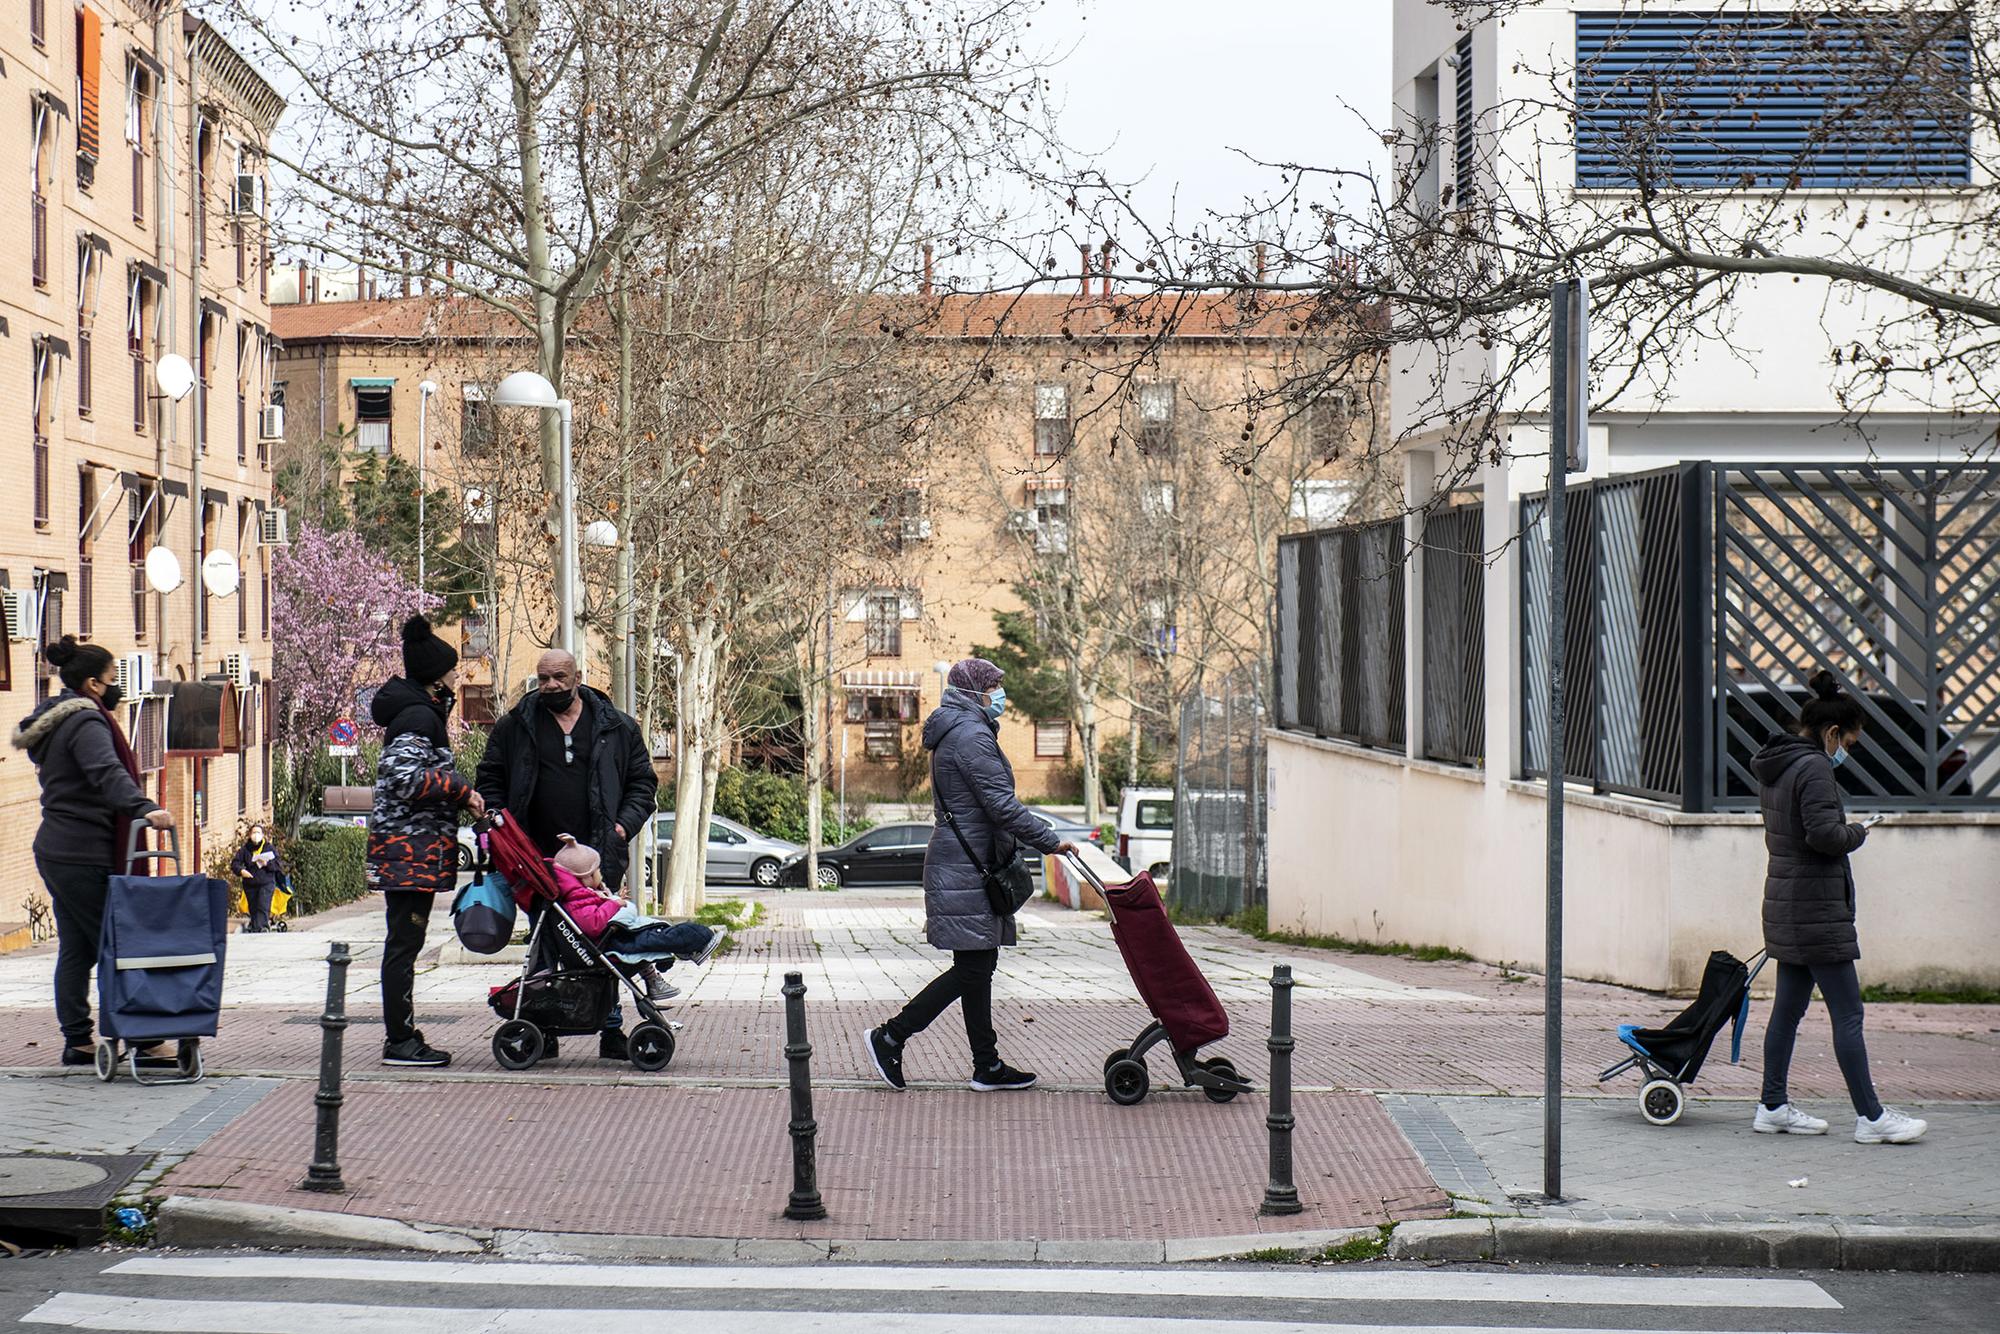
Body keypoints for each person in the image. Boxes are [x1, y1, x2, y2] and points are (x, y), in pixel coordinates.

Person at [865, 657, 1079, 1093]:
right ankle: (890, 1036)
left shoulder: (962, 730)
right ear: (974, 692)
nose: (1000, 695)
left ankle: (987, 1065)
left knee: (978, 966)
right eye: (994, 687)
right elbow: (1000, 805)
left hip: (967, 863)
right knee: (973, 970)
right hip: (968, 867)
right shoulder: (970, 735)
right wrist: (1049, 840)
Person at [1751, 670, 1926, 1145]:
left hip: (1787, 902)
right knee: (1848, 1013)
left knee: (1787, 1012)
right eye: (1849, 740)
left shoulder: (1779, 763)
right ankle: (1872, 1117)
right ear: (1832, 734)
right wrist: (1859, 833)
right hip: (1817, 907)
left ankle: (1773, 1106)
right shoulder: (1814, 768)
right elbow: (1824, 836)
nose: (1848, 748)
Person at [476, 649, 658, 1060]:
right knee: (546, 942)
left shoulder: (617, 727)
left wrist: (621, 828)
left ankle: (611, 1029)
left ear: (578, 677)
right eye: (543, 679)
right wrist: (499, 821)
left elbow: (642, 784)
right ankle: (545, 1027)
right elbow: (491, 777)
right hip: (536, 862)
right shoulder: (515, 727)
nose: (551, 686)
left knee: (601, 943)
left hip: (596, 860)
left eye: (559, 677)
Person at [12, 637, 177, 1068]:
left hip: (58, 848)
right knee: (118, 943)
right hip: (83, 850)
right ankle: (142, 1039)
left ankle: (78, 1042)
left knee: (77, 948)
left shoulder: (60, 720)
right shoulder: (86, 723)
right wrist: (146, 808)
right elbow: (106, 774)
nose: (117, 685)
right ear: (92, 684)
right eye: (111, 678)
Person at [369, 616, 485, 1068]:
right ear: (437, 678)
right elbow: (403, 777)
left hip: (409, 851)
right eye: (453, 672)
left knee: (404, 943)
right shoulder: (419, 716)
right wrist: (460, 789)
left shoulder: (418, 711)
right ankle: (400, 1040)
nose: (458, 678)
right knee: (403, 944)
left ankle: (402, 1034)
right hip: (408, 852)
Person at [537, 835, 721, 1002]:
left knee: (655, 934)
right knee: (656, 938)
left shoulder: (580, 894)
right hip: (608, 944)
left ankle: (689, 949)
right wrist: (614, 904)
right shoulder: (577, 898)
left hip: (610, 938)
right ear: (586, 876)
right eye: (597, 870)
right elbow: (592, 924)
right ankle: (699, 940)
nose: (601, 874)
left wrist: (609, 897)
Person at [230, 823, 285, 933]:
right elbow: (235, 864)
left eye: (258, 833)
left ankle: (262, 928)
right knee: (253, 908)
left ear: (263, 835)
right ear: (250, 835)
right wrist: (241, 871)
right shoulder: (245, 850)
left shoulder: (269, 848)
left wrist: (267, 864)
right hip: (250, 883)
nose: (256, 835)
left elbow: (278, 864)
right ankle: (256, 928)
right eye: (254, 832)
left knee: (262, 905)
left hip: (266, 882)